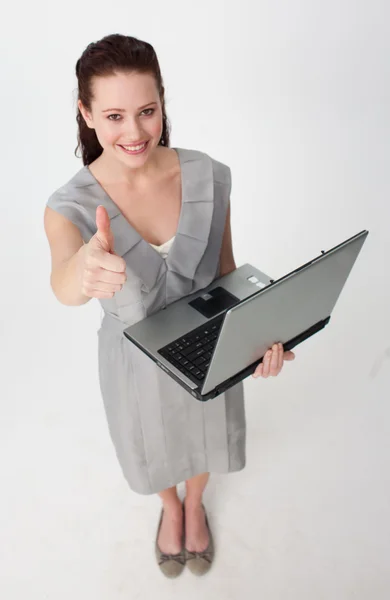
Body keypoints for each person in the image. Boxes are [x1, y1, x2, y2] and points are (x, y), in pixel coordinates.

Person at [44, 33, 296, 578]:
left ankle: (195, 501)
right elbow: (63, 284)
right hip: (134, 364)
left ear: (162, 103)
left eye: (146, 111)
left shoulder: (208, 174)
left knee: (207, 435)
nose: (133, 132)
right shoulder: (70, 205)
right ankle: (170, 506)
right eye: (113, 116)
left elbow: (228, 272)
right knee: (151, 444)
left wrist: (266, 335)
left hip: (211, 346)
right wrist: (85, 270)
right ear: (85, 114)